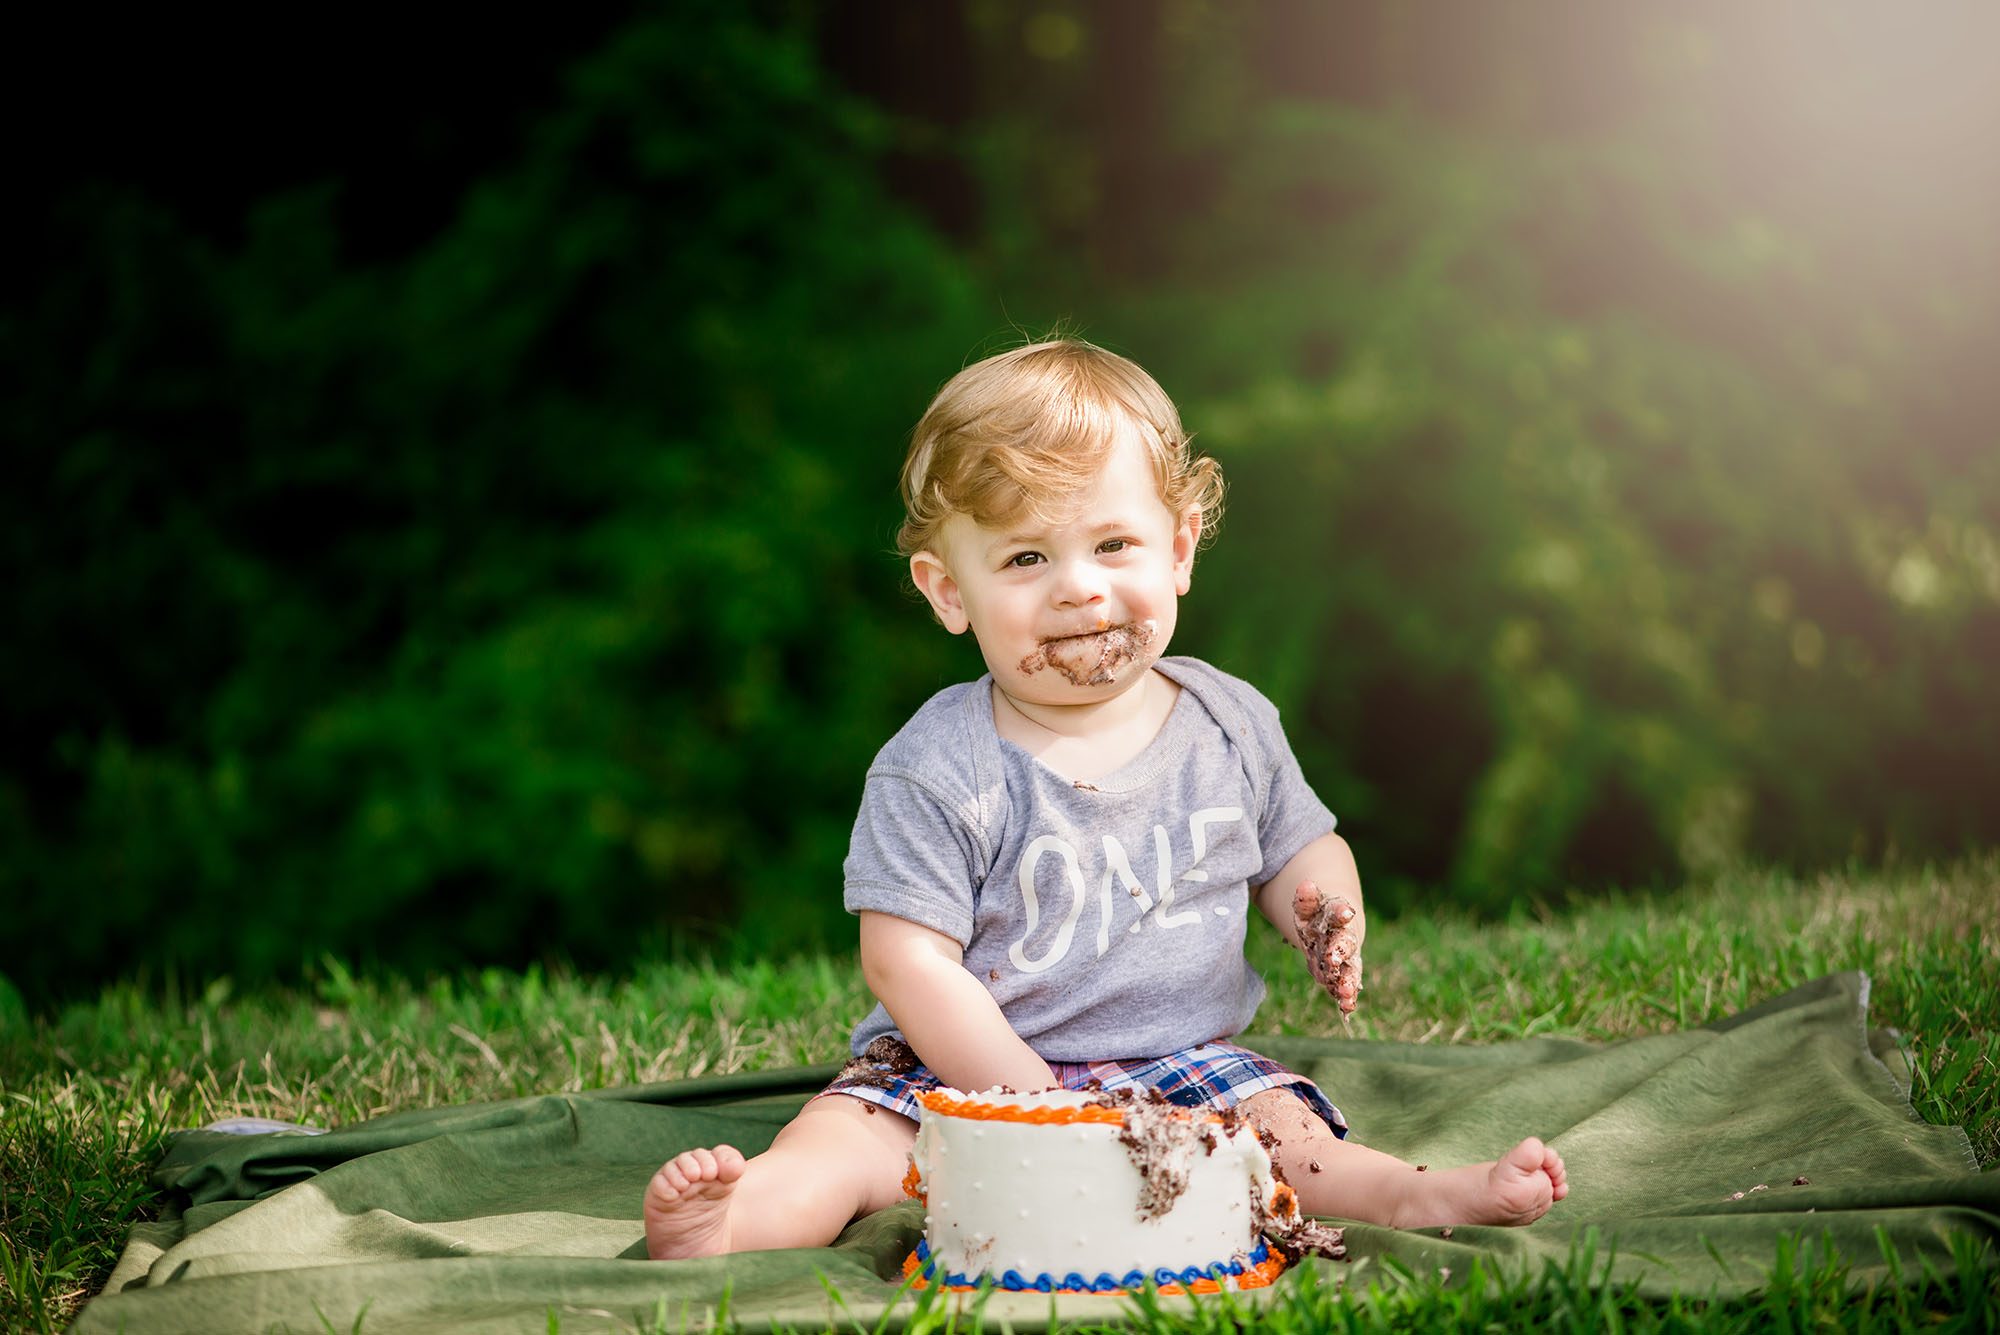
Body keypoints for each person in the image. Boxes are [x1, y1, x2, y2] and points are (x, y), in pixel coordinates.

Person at [643, 338, 1567, 1260]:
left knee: (1288, 1143)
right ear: (947, 590)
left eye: (1114, 544)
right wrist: (1034, 1105)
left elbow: (1299, 846)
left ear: (1180, 548)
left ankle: (1414, 1194)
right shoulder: (938, 765)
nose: (1080, 587)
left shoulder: (1227, 722)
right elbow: (906, 963)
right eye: (1025, 559)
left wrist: (1325, 911)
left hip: (1179, 1066)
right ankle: (734, 1217)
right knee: (843, 1147)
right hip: (957, 1073)